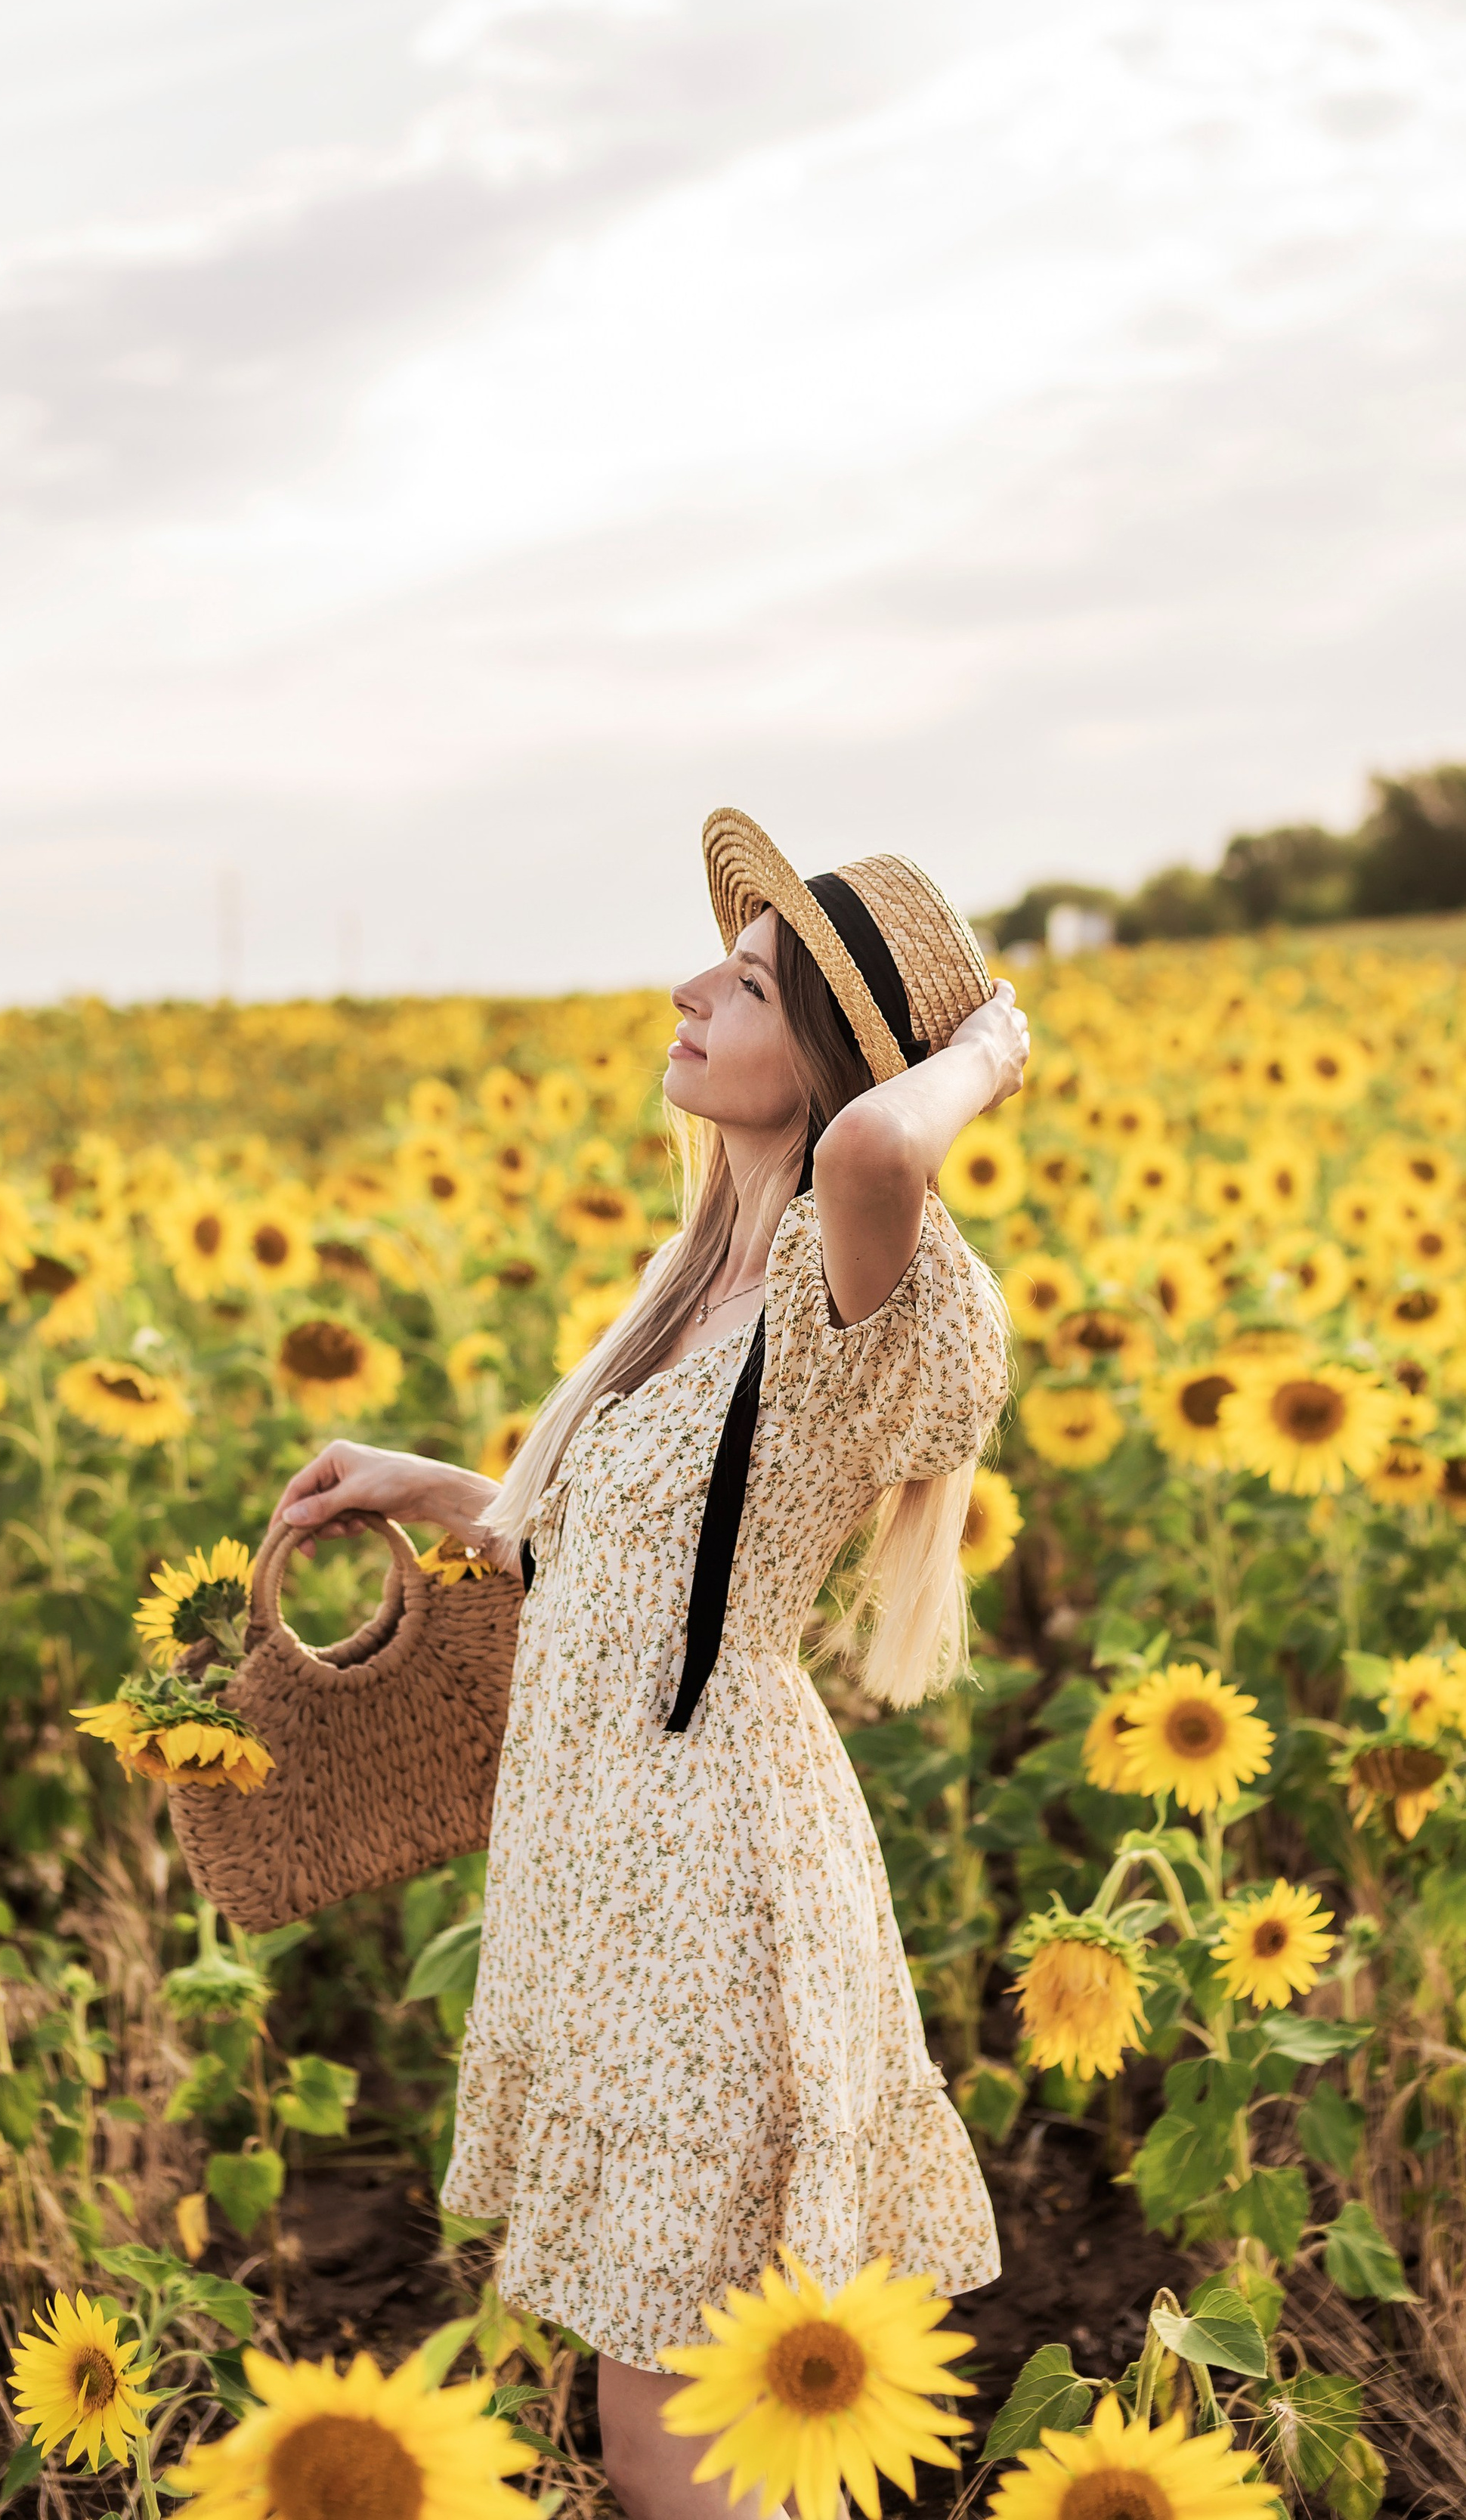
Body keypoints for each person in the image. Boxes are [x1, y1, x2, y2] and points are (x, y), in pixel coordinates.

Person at [275, 809, 1027, 2520]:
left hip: (711, 1880)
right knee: (681, 2393)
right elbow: (631, 1549)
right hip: (611, 1866)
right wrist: (443, 1487)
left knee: (670, 2409)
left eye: (749, 984)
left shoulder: (868, 1270)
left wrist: (984, 1049)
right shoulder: (704, 1271)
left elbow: (879, 1157)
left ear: (836, 1062)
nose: (687, 990)